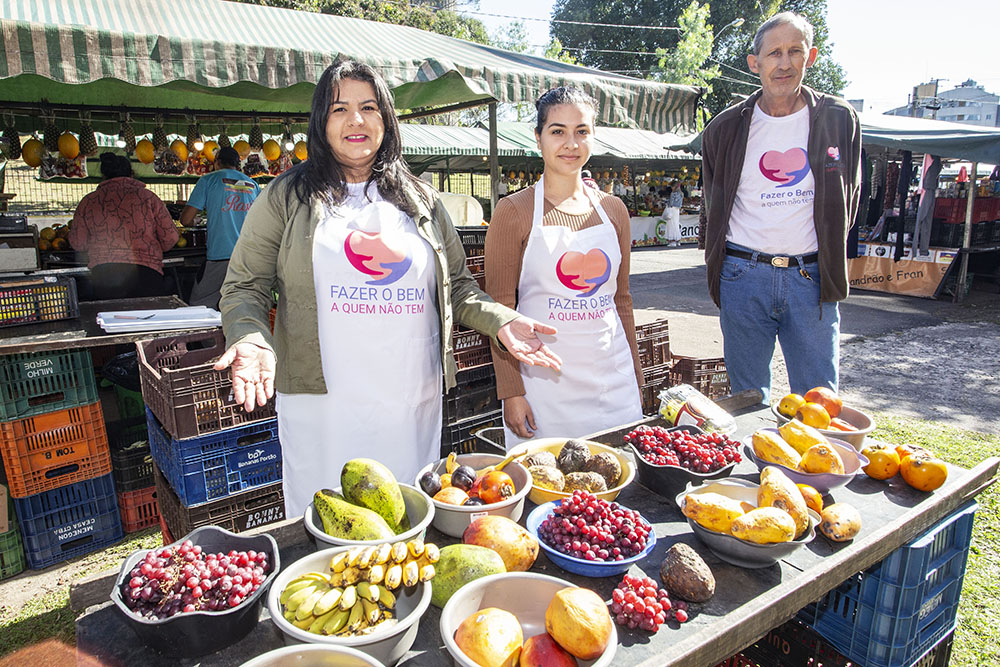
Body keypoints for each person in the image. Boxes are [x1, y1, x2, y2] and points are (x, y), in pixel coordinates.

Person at [214, 61, 560, 517]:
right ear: (321, 121)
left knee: (407, 515)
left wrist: (502, 320)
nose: (355, 120)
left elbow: (459, 286)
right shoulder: (285, 197)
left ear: (386, 119)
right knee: (332, 522)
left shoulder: (422, 199)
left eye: (368, 107)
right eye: (340, 109)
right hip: (324, 408)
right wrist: (250, 335)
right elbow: (244, 287)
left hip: (407, 402)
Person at [701, 12, 862, 402]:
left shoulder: (838, 118)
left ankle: (819, 464)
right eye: (774, 53)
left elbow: (851, 197)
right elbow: (713, 204)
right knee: (747, 398)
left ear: (811, 56)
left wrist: (826, 257)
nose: (784, 63)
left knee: (819, 399)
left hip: (811, 278)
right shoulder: (724, 128)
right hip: (742, 276)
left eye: (795, 51)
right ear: (755, 63)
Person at [486, 87, 643, 447]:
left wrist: (634, 374)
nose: (571, 143)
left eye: (581, 131)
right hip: (544, 389)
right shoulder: (514, 212)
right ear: (538, 137)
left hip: (613, 383)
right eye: (557, 131)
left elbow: (622, 300)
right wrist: (512, 392)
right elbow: (498, 309)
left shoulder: (614, 211)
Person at [69, 153, 178, 300]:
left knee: (111, 319)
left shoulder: (89, 201)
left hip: (104, 277)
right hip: (146, 274)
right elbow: (170, 237)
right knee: (147, 320)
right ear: (131, 173)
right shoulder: (147, 197)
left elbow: (78, 243)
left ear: (103, 175)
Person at [180, 146, 260, 309]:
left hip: (221, 256)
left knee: (200, 305)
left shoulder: (208, 180)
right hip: (248, 258)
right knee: (241, 305)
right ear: (238, 165)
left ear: (216, 162)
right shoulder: (252, 184)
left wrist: (197, 222)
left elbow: (186, 219)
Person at [664, 180, 683, 247]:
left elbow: (671, 203)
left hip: (672, 209)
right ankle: (678, 240)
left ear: (674, 187)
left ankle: (672, 241)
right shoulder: (681, 194)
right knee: (676, 224)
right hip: (677, 210)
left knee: (671, 225)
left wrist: (666, 202)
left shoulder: (673, 194)